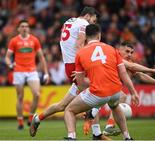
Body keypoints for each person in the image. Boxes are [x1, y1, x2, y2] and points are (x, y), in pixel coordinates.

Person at [29, 6, 108, 140]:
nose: (92, 24)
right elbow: (78, 45)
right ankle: (96, 133)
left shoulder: (69, 21)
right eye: (93, 20)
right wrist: (82, 66)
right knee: (97, 92)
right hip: (76, 66)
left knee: (63, 105)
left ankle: (38, 118)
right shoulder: (83, 23)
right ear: (88, 15)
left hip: (69, 64)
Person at [63, 24, 140, 140]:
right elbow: (124, 74)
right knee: (115, 106)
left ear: (85, 37)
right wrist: (133, 92)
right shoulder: (112, 49)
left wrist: (88, 97)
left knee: (69, 110)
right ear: (99, 35)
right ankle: (127, 137)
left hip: (98, 92)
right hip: (115, 92)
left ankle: (71, 137)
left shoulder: (80, 53)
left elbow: (80, 82)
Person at [83, 41, 155, 137]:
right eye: (127, 51)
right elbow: (132, 66)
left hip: (102, 86)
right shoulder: (113, 55)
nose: (129, 54)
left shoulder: (124, 62)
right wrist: (152, 70)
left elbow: (140, 75)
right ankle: (99, 122)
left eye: (131, 52)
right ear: (119, 50)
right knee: (120, 96)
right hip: (92, 84)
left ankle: (99, 126)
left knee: (119, 97)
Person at [5, 20, 50, 130]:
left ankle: (30, 117)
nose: (24, 28)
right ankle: (20, 121)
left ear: (29, 28)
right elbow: (7, 57)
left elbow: (41, 57)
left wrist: (46, 73)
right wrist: (10, 65)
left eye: (26, 26)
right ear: (18, 29)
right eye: (22, 26)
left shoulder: (34, 40)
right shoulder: (14, 41)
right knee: (20, 97)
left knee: (37, 94)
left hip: (31, 70)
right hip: (18, 70)